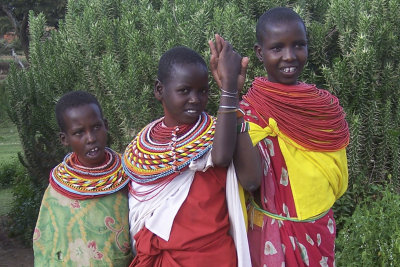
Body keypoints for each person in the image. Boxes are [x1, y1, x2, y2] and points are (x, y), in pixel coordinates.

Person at [210, 7, 350, 267]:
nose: (289, 56)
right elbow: (251, 181)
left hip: (318, 233)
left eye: (299, 45)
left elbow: (337, 180)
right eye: (277, 48)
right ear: (260, 53)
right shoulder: (251, 111)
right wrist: (231, 93)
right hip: (271, 241)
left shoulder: (323, 109)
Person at [122, 45, 261, 266]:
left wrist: (230, 91)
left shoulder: (220, 133)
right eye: (184, 91)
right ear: (160, 90)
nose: (195, 99)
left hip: (213, 258)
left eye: (203, 91)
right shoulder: (142, 151)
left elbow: (238, 170)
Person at [33, 91, 132, 266]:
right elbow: (46, 244)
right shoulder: (58, 188)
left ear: (106, 125)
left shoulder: (129, 175)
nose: (91, 138)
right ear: (64, 139)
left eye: (96, 127)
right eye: (79, 133)